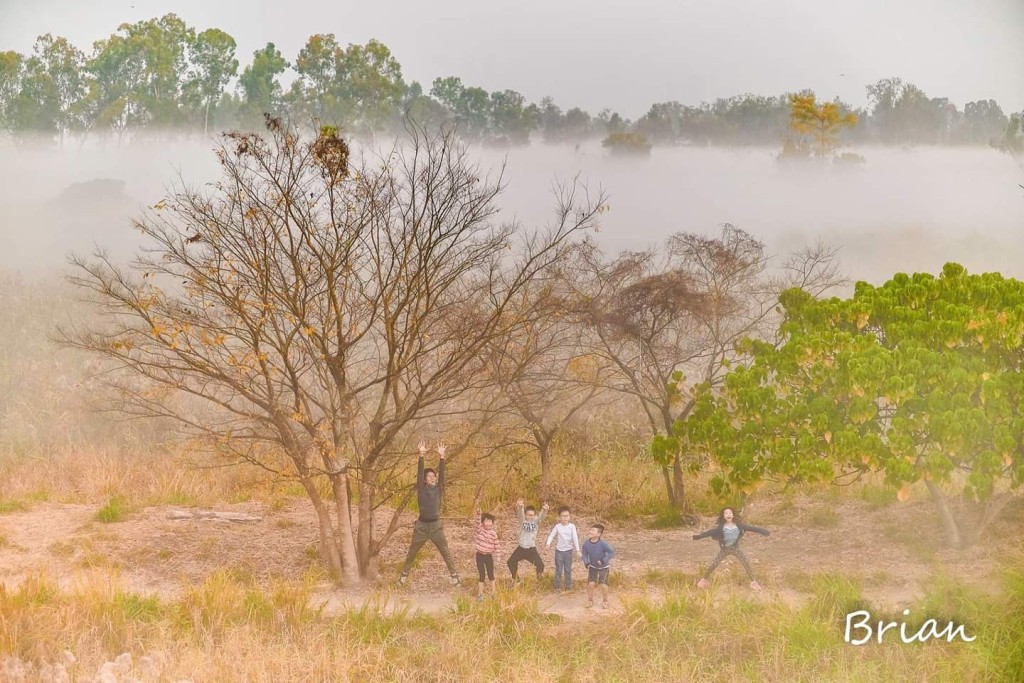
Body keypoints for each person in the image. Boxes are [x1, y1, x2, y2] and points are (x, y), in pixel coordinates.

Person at [397, 442, 461, 588]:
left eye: (434, 476)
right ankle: (403, 576)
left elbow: (443, 477)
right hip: (421, 526)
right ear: (425, 480)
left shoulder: (439, 489)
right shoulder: (421, 488)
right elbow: (419, 474)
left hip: (436, 526)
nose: (432, 478)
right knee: (412, 551)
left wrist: (442, 457)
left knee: (445, 552)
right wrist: (421, 455)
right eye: (429, 476)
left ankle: (454, 576)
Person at [692, 507, 770, 591]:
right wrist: (698, 536)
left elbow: (752, 528)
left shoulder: (739, 526)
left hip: (735, 549)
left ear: (733, 515)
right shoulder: (721, 527)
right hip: (724, 549)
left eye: (730, 513)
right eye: (726, 513)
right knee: (714, 563)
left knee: (746, 563)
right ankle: (704, 580)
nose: (728, 514)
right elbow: (710, 532)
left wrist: (764, 531)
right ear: (723, 516)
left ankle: (753, 582)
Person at [507, 498, 549, 583]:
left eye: (531, 515)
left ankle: (539, 577)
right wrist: (520, 507)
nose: (529, 517)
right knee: (510, 562)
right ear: (525, 515)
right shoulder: (523, 521)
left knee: (540, 565)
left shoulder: (536, 522)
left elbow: (541, 517)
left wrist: (544, 509)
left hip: (531, 550)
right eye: (528, 515)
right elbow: (520, 515)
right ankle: (516, 579)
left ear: (534, 515)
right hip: (521, 548)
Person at [545, 505, 582, 592]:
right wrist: (548, 544)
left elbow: (575, 538)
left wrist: (578, 550)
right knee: (558, 569)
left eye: (567, 516)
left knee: (568, 569)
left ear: (569, 516)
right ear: (559, 517)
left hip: (568, 551)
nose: (565, 518)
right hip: (559, 551)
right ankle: (557, 586)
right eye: (563, 516)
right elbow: (551, 536)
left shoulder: (572, 526)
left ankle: (568, 586)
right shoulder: (557, 526)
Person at [581, 523, 614, 609]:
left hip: (604, 567)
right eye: (591, 529)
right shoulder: (586, 543)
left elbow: (611, 552)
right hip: (593, 567)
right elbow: (584, 554)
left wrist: (604, 560)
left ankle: (605, 601)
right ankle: (590, 600)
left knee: (603, 584)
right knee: (591, 584)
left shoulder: (603, 544)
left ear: (599, 534)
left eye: (593, 530)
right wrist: (586, 562)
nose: (591, 531)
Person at [474, 508, 500, 601]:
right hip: (480, 555)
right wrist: (478, 514)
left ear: (493, 523)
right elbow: (477, 523)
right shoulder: (480, 530)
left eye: (490, 521)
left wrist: (498, 555)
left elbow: (496, 544)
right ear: (483, 522)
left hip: (489, 556)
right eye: (486, 521)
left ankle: (493, 593)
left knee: (491, 574)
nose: (488, 523)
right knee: (481, 574)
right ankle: (480, 594)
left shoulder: (494, 534)